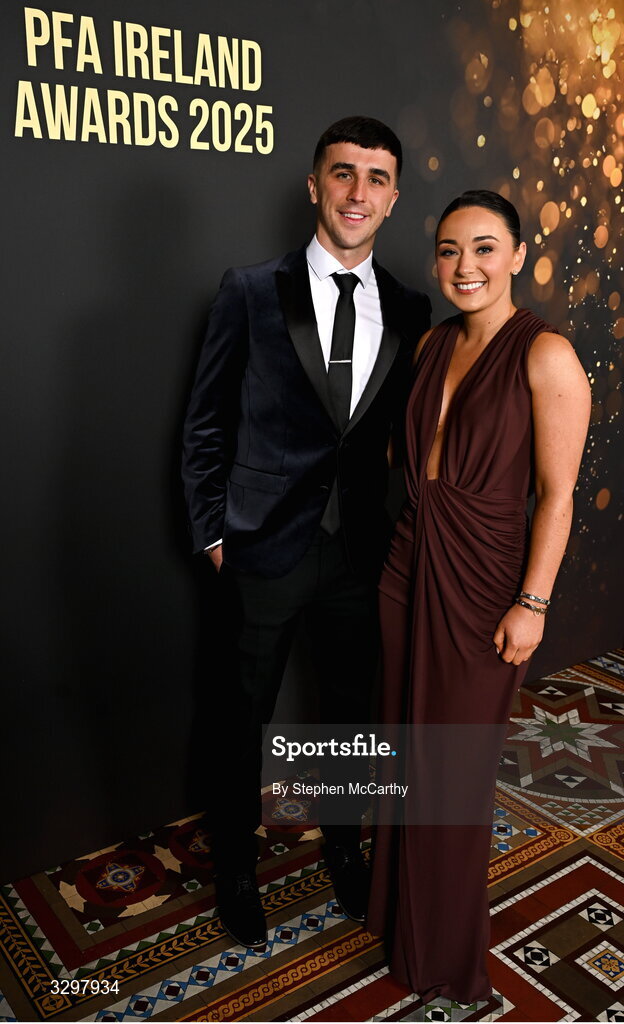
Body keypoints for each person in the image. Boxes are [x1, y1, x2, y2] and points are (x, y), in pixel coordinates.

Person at [182, 116, 431, 948]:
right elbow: (205, 425)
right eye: (344, 173)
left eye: (377, 178)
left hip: (359, 552)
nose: (359, 192)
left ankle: (346, 847)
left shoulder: (411, 306)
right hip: (261, 548)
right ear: (314, 184)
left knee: (348, 715)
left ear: (393, 198)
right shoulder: (250, 291)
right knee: (240, 717)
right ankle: (238, 872)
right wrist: (214, 532)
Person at [367, 190, 590, 1003]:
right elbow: (405, 457)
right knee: (402, 745)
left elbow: (557, 497)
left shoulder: (547, 355)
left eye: (485, 248)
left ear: (518, 257)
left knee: (454, 771)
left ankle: (442, 953)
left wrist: (531, 606)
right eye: (451, 250)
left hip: (484, 579)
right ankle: (396, 914)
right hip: (407, 563)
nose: (466, 267)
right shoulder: (431, 344)